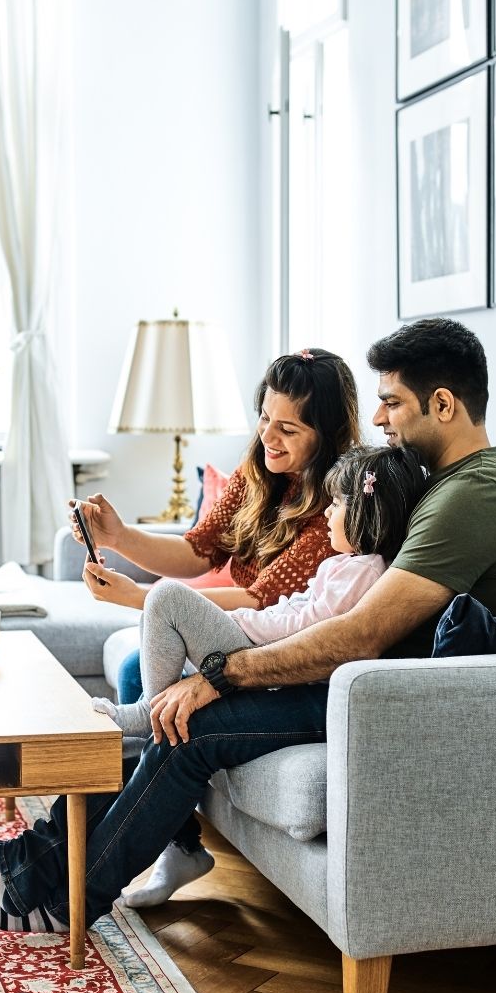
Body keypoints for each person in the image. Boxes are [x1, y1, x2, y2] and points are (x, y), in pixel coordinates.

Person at [0, 317, 496, 933]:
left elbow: (362, 632)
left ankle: (54, 894)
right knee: (174, 723)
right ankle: (34, 869)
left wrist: (222, 675)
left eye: (392, 403)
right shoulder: (432, 482)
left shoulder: (473, 496)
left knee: (190, 727)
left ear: (443, 404)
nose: (382, 419)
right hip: (361, 684)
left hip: (393, 699)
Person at [74, 347, 365, 904]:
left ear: (327, 432)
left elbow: (261, 600)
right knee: (139, 665)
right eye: (263, 419)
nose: (268, 437)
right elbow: (197, 548)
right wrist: (116, 537)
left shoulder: (337, 507)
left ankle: (163, 840)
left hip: (281, 647)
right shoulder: (261, 471)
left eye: (287, 428)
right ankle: (179, 845)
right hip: (238, 626)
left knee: (144, 664)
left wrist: (144, 599)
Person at [91, 445, 428, 742]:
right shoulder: (345, 563)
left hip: (265, 659)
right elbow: (289, 604)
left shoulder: (365, 571)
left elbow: (309, 626)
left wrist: (246, 625)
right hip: (255, 639)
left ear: (366, 513)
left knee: (166, 599)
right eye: (266, 419)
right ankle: (140, 735)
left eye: (337, 503)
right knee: (160, 611)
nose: (327, 511)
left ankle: (144, 714)